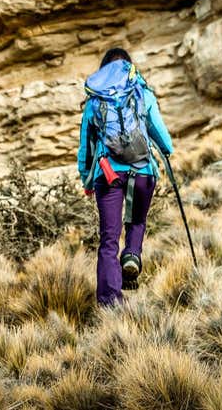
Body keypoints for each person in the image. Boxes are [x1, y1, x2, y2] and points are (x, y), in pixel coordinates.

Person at [77, 48, 173, 306]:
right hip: (142, 171)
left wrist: (86, 178)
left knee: (109, 239)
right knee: (137, 221)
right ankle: (132, 253)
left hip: (108, 175)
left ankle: (110, 302)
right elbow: (162, 137)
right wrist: (167, 151)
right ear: (129, 66)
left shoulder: (94, 101)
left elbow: (85, 146)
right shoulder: (143, 93)